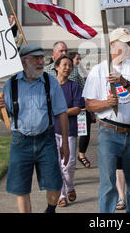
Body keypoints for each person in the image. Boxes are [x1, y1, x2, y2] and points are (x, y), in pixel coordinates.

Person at [0, 44, 70, 213]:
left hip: (46, 139)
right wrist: (0, 109)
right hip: (21, 142)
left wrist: (65, 142)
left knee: (55, 183)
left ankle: (50, 210)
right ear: (23, 62)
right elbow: (5, 117)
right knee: (21, 189)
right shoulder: (11, 84)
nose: (41, 62)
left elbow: (62, 113)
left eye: (42, 58)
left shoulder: (50, 82)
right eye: (36, 58)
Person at [82, 27, 130, 213]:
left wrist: (124, 82)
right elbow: (89, 104)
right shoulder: (98, 70)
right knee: (108, 183)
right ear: (112, 45)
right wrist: (106, 103)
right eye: (126, 42)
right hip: (108, 131)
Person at [54, 55, 85, 207]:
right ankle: (61, 195)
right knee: (57, 164)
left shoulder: (74, 87)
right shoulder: (50, 86)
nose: (67, 68)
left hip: (70, 130)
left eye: (69, 66)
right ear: (56, 67)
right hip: (52, 130)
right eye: (64, 65)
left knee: (69, 163)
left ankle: (70, 186)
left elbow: (78, 108)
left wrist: (62, 112)